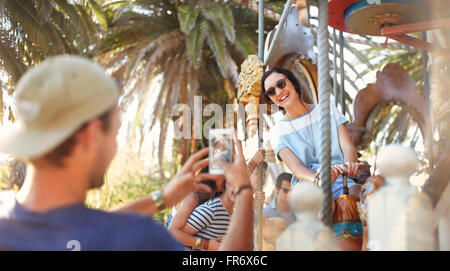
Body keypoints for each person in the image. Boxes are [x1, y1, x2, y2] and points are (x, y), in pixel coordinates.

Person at [0, 55, 254, 251]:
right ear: (90, 134)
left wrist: (161, 199)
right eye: (115, 132)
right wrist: (243, 190)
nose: (115, 146)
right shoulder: (135, 237)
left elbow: (80, 227)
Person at [261, 67, 362, 200]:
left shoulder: (327, 109)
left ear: (292, 82)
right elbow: (297, 168)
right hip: (309, 187)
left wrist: (349, 166)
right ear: (270, 99)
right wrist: (318, 180)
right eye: (271, 91)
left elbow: (347, 146)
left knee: (363, 198)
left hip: (341, 179)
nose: (279, 92)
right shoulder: (276, 132)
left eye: (281, 84)